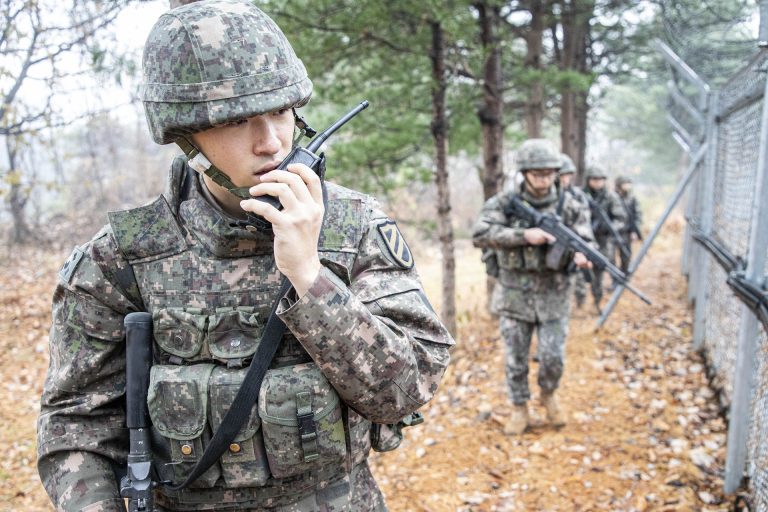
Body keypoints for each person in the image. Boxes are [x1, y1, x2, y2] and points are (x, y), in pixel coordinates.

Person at [36, 2, 454, 511]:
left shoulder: (352, 227)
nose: (271, 141)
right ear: (185, 134)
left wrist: (309, 276)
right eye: (237, 121)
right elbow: (76, 426)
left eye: (280, 112)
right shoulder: (121, 258)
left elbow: (405, 389)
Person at [472, 139, 593, 435]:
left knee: (553, 357)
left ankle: (549, 394)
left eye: (549, 173)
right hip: (514, 294)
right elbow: (480, 233)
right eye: (537, 173)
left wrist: (582, 254)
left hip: (555, 294)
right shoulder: (504, 203)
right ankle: (519, 408)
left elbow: (588, 241)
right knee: (515, 358)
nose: (544, 179)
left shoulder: (572, 206)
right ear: (524, 173)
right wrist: (525, 235)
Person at [584, 165, 627, 307]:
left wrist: (609, 227)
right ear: (588, 180)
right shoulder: (581, 195)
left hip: (602, 240)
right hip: (582, 238)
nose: (597, 183)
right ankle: (579, 300)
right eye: (594, 179)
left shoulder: (610, 197)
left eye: (600, 180)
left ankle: (597, 300)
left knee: (598, 272)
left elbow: (621, 218)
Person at [558, 153, 590, 309]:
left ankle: (580, 300)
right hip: (554, 239)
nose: (564, 179)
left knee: (577, 274)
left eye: (567, 175)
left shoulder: (577, 195)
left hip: (574, 237)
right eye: (561, 175)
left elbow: (584, 220)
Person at [615, 175, 643, 274]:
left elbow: (638, 215)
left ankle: (624, 274)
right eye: (625, 183)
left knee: (626, 256)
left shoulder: (632, 198)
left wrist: (634, 231)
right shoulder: (613, 197)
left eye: (628, 183)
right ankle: (615, 276)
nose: (627, 186)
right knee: (610, 256)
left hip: (626, 232)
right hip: (613, 231)